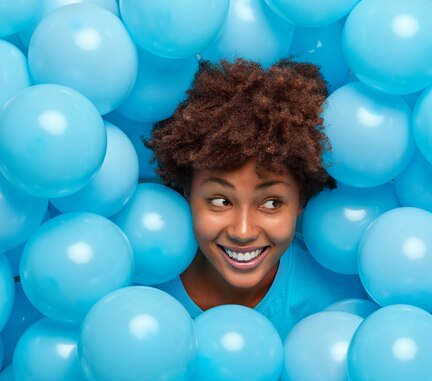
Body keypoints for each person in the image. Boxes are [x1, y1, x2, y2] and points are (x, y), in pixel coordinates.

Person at [146, 58, 363, 340]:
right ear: (188, 192)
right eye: (221, 201)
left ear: (301, 201)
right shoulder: (141, 282)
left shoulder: (336, 304)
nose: (243, 231)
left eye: (271, 203)